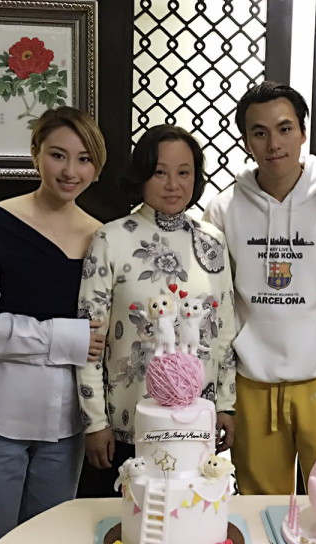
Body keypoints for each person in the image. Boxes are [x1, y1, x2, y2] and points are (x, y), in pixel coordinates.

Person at [0, 106, 107, 544]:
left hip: (66, 422)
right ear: (36, 153)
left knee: (50, 537)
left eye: (84, 159)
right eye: (58, 155)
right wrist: (66, 337)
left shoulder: (103, 236)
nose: (71, 171)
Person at [203, 81, 316, 495]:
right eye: (260, 132)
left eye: (285, 129)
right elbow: (214, 299)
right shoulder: (223, 208)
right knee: (258, 503)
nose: (274, 144)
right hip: (251, 378)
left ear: (303, 133)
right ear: (246, 140)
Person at [76, 124, 236, 491]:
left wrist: (226, 404)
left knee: (190, 513)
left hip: (197, 423)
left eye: (184, 173)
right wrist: (95, 421)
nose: (173, 184)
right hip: (126, 424)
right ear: (142, 175)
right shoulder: (110, 238)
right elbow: (88, 336)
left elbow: (225, 328)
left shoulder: (212, 241)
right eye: (160, 172)